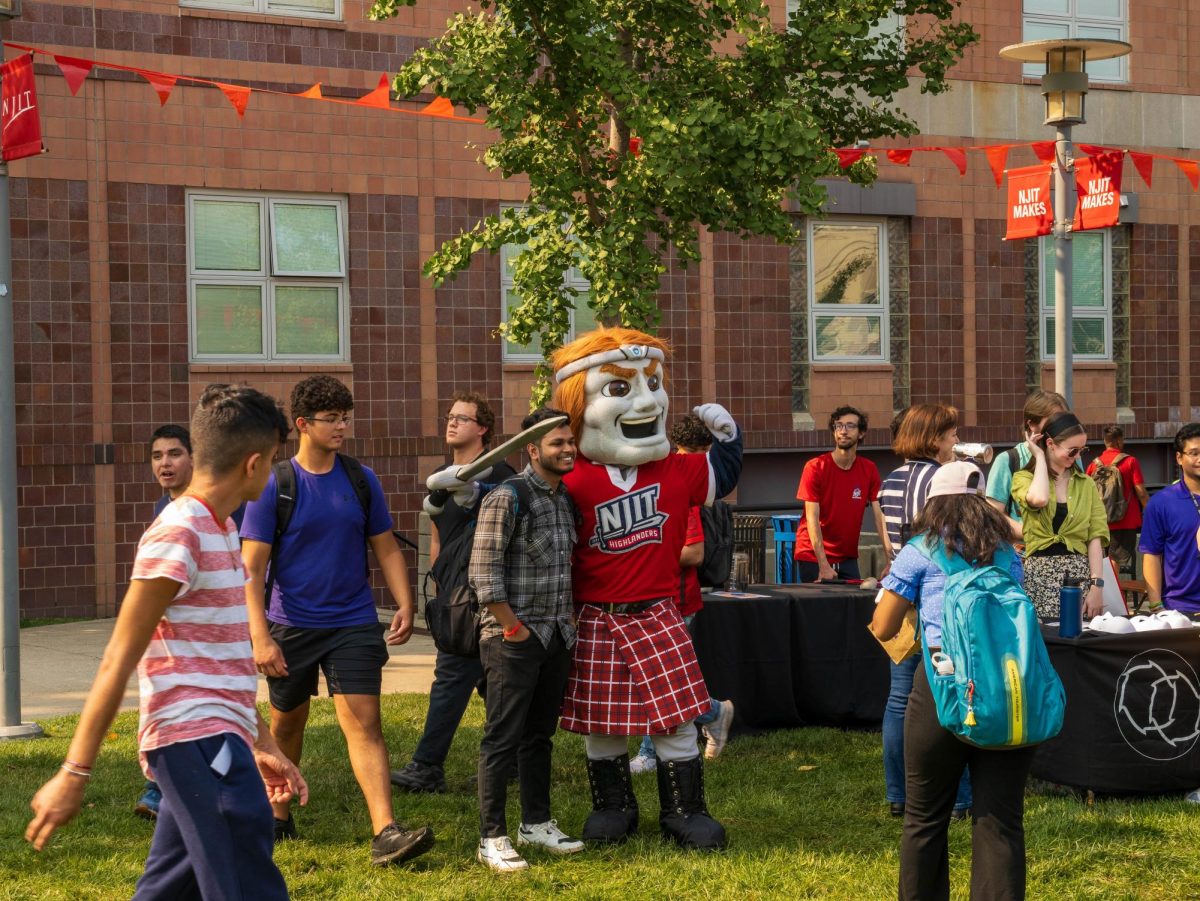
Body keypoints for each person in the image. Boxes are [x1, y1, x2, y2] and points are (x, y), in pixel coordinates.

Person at [26, 384, 307, 900]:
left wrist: (262, 741)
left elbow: (219, 663)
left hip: (216, 737)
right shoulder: (177, 533)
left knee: (170, 887)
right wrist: (74, 772)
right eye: (271, 462)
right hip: (193, 741)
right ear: (253, 464)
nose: (271, 474)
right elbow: (119, 657)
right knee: (249, 882)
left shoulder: (220, 529)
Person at [550, 326, 742, 851]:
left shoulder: (673, 468)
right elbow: (517, 507)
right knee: (603, 723)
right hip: (595, 614)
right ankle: (612, 807)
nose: (645, 400)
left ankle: (685, 811)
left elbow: (719, 478)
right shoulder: (570, 477)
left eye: (653, 383)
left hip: (658, 610)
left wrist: (727, 437)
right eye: (619, 388)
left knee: (676, 718)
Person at [240, 374, 434, 867]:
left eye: (346, 417)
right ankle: (278, 816)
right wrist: (260, 635)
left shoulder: (360, 478)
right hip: (291, 625)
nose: (342, 426)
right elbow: (252, 567)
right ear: (302, 424)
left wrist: (406, 601)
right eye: (331, 419)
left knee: (365, 723)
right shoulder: (274, 485)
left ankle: (385, 832)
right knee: (287, 724)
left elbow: (385, 546)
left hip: (352, 622)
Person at [870, 461, 1039, 901]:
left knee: (924, 819)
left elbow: (883, 627)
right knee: (1001, 821)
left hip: (940, 689)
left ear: (932, 503)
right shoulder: (1006, 553)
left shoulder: (919, 550)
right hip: (1006, 691)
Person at [470, 408, 583, 872]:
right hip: (513, 637)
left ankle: (535, 823)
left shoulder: (563, 499)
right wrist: (513, 629)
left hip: (557, 633)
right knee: (502, 737)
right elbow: (483, 575)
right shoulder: (507, 496)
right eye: (557, 443)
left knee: (539, 736)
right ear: (533, 449)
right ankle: (490, 836)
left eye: (570, 441)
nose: (568, 449)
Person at [390, 391, 515, 794]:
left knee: (456, 676)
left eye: (462, 418)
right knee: (488, 681)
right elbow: (439, 536)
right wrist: (439, 584)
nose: (452, 423)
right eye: (450, 417)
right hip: (454, 596)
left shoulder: (499, 475)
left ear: (483, 429)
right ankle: (512, 760)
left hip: (488, 596)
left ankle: (427, 766)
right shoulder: (443, 475)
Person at [876, 403, 971, 821]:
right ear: (935, 439)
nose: (955, 441)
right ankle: (961, 798)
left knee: (899, 701)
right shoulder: (944, 479)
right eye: (951, 434)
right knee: (955, 695)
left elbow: (889, 543)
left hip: (900, 598)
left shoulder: (890, 481)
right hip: (941, 602)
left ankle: (898, 793)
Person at [629, 415, 735, 776]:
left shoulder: (682, 489)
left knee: (660, 679)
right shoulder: (667, 481)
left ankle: (650, 751)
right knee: (662, 678)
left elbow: (693, 553)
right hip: (657, 598)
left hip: (675, 599)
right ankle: (713, 712)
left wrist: (643, 550)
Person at [1011, 411, 1109, 619]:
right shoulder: (1023, 478)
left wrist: (1097, 586)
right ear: (1050, 443)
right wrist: (1038, 456)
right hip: (1039, 577)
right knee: (1046, 645)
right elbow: (1039, 499)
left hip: (1079, 578)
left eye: (1082, 450)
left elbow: (1095, 537)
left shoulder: (1086, 484)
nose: (1078, 457)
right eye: (1073, 451)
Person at [793, 405, 892, 582]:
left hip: (847, 557)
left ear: (861, 433)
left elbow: (880, 516)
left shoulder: (869, 469)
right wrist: (823, 565)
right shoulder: (815, 467)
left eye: (850, 426)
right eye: (839, 426)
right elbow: (812, 519)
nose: (843, 431)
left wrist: (890, 561)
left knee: (853, 606)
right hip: (813, 556)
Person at [985, 390, 1068, 538]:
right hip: (1023, 553)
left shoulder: (1071, 457)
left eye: (1064, 421)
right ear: (1031, 425)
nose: (1061, 428)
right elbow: (993, 514)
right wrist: (1032, 534)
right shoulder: (1008, 460)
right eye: (1053, 422)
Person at [1140, 423, 1200, 614]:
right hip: (1181, 609)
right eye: (1194, 453)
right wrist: (1156, 606)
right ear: (1179, 458)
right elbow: (1152, 555)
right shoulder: (1161, 502)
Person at [1085, 425, 1150, 578]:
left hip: (1099, 521)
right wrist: (1151, 513)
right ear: (1120, 441)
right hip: (1125, 520)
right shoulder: (1130, 462)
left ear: (1105, 441)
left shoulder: (1094, 465)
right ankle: (1111, 596)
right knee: (1116, 560)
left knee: (1099, 559)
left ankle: (1102, 592)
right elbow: (1141, 492)